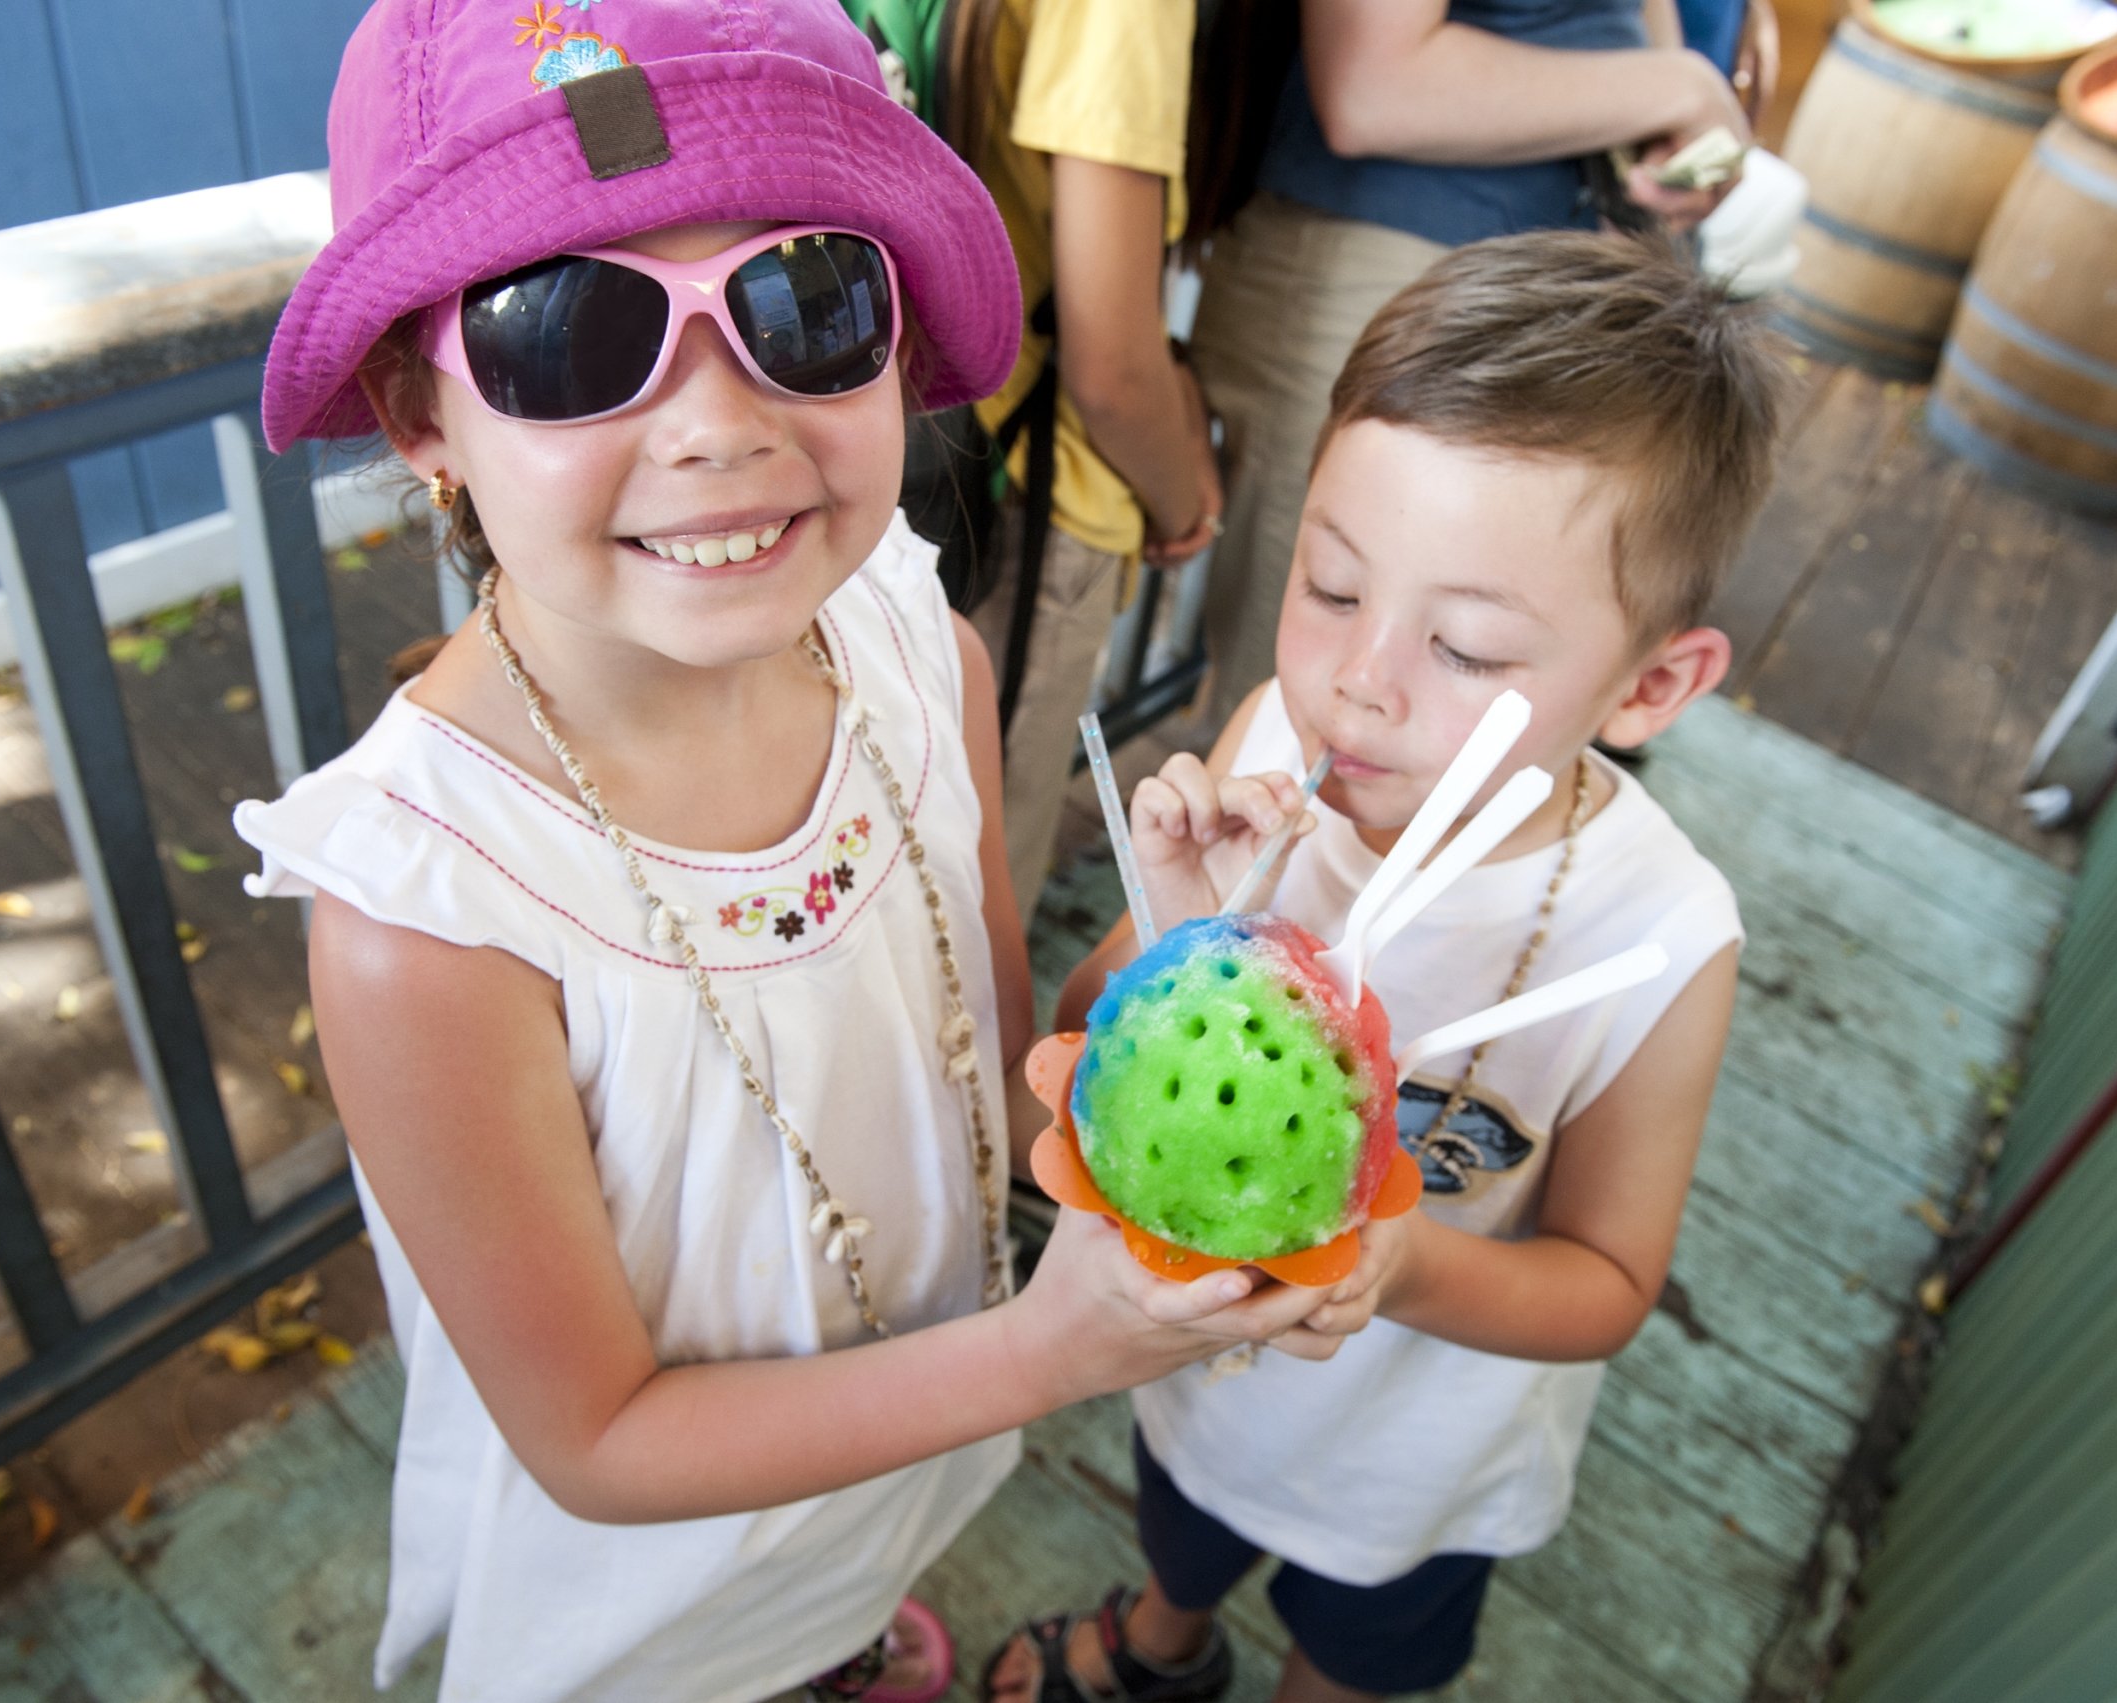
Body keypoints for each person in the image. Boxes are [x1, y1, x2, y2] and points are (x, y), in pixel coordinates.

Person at [232, 4, 1352, 1699]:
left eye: (806, 301)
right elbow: (601, 1437)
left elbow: (974, 1042)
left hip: (907, 1437)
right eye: (566, 330)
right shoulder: (430, 913)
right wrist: (1049, 1351)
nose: (716, 423)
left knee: (848, 1595)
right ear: (419, 410)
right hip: (661, 1600)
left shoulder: (918, 642)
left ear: (896, 344)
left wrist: (1158, 969)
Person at [988, 232, 1790, 1703]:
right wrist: (1182, 931)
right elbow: (1082, 1026)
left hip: (1417, 1460)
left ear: (1650, 685)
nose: (1360, 678)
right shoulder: (1281, 754)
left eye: (1470, 644)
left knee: (1360, 1652)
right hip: (1198, 1379)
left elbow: (1607, 1280)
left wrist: (1402, 1259)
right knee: (1180, 1527)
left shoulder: (1660, 938)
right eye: (1332, 583)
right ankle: (1167, 1638)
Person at [1192, 0, 1751, 732]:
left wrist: (1666, 129)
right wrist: (1676, 87)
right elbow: (1370, 85)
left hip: (1568, 277)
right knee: (1299, 731)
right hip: (1393, 262)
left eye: (1471, 650)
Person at [954, 0, 1225, 925]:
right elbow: (1110, 363)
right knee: (977, 894)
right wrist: (1185, 500)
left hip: (928, 454)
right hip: (1033, 497)